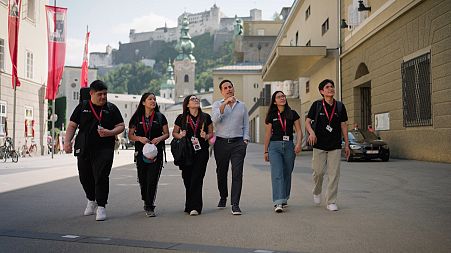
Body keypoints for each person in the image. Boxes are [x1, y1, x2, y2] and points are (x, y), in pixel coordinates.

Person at [64, 80, 125, 221]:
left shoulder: (111, 108)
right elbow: (72, 125)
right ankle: (91, 199)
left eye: (105, 94)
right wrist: (67, 142)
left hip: (105, 148)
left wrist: (110, 132)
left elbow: (121, 126)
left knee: (101, 176)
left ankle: (102, 206)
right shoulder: (82, 107)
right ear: (91, 93)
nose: (103, 97)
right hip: (84, 147)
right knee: (84, 176)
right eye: (100, 94)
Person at [305, 79, 350, 212]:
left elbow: (343, 125)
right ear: (321, 91)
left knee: (334, 174)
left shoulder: (340, 107)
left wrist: (346, 144)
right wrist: (311, 132)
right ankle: (317, 190)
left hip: (335, 145)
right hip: (319, 144)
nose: (330, 89)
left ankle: (331, 201)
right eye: (327, 87)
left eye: (332, 86)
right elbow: (307, 121)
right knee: (318, 172)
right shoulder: (317, 105)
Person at [128, 92, 169, 217]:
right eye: (150, 99)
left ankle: (150, 205)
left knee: (152, 179)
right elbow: (130, 135)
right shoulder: (136, 117)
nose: (153, 101)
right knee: (143, 178)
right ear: (143, 102)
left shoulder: (160, 117)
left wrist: (159, 139)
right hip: (141, 152)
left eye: (154, 99)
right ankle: (146, 198)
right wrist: (139, 138)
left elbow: (167, 134)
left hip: (156, 153)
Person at [212, 79, 249, 215]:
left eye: (230, 87)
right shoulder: (217, 104)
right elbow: (215, 120)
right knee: (221, 172)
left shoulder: (242, 106)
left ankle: (235, 204)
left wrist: (245, 140)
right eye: (225, 88)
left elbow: (246, 124)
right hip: (221, 143)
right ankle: (223, 196)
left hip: (238, 143)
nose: (228, 89)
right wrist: (225, 104)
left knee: (237, 173)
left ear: (233, 89)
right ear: (222, 91)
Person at [172, 95, 213, 216]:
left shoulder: (206, 117)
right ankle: (189, 203)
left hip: (202, 151)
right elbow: (174, 133)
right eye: (193, 99)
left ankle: (195, 207)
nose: (196, 100)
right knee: (187, 178)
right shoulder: (181, 118)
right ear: (187, 104)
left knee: (197, 178)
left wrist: (206, 136)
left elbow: (212, 133)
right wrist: (181, 135)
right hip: (186, 151)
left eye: (197, 99)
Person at [263, 91, 302, 213]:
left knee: (287, 172)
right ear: (274, 101)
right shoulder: (271, 115)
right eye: (279, 97)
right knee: (277, 173)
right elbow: (268, 134)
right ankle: (278, 202)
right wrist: (265, 151)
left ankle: (284, 197)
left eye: (283, 96)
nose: (282, 98)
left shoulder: (293, 113)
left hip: (289, 146)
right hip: (274, 147)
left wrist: (299, 143)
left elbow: (299, 131)